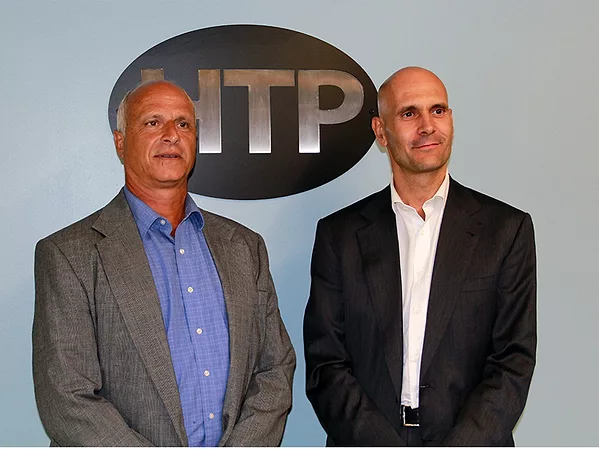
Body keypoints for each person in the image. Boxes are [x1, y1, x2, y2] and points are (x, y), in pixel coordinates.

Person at [33, 80, 296, 447]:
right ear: (120, 143)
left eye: (183, 123)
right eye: (153, 122)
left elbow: (275, 369)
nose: (171, 134)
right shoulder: (69, 255)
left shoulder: (244, 246)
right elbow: (68, 399)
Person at [303, 66, 536, 446]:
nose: (428, 126)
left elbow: (513, 360)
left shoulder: (505, 230)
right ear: (381, 132)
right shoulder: (339, 236)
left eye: (438, 110)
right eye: (409, 113)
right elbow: (326, 363)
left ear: (451, 120)